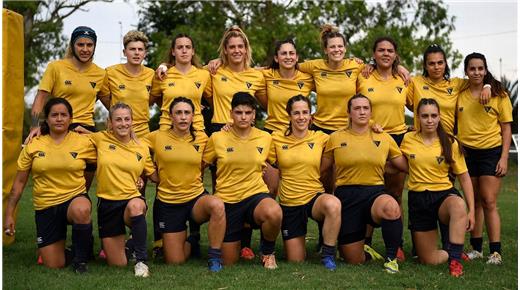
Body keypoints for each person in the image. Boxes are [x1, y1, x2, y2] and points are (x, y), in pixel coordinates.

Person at [4, 98, 96, 273]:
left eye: (63, 115)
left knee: (82, 209)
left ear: (71, 118)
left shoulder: (84, 142)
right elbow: (19, 183)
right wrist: (9, 215)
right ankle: (73, 247)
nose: (59, 119)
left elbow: (112, 153)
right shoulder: (33, 144)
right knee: (54, 264)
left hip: (73, 199)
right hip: (45, 205)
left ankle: (80, 260)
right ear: (47, 119)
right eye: (54, 115)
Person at [321, 94, 407, 273]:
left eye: (365, 108)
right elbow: (322, 168)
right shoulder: (335, 138)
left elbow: (403, 165)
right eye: (357, 108)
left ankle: (391, 258)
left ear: (371, 112)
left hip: (374, 193)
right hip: (347, 196)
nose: (361, 112)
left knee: (391, 207)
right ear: (349, 113)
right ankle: (366, 252)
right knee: (353, 259)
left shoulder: (384, 137)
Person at [143, 97, 226, 272]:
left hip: (195, 199)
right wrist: (149, 173)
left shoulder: (203, 139)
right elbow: (133, 147)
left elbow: (221, 151)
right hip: (169, 203)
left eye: (187, 113)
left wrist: (228, 128)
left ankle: (214, 257)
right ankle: (193, 240)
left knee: (217, 204)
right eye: (178, 113)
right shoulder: (156, 137)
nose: (182, 117)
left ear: (193, 116)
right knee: (175, 261)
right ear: (170, 116)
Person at [202, 92, 282, 269]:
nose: (243, 116)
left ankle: (268, 252)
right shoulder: (217, 138)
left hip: (255, 195)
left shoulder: (265, 138)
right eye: (239, 112)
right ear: (231, 114)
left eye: (247, 112)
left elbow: (277, 164)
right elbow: (201, 165)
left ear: (254, 114)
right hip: (228, 201)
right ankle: (233, 242)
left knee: (274, 212)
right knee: (229, 261)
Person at [400, 98, 475, 277]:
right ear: (418, 118)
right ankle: (451, 252)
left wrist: (471, 211)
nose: (430, 120)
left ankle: (455, 261)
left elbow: (464, 178)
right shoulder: (408, 139)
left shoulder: (450, 142)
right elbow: (396, 162)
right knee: (428, 260)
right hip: (418, 199)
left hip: (443, 196)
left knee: (457, 205)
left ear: (439, 117)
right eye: (425, 116)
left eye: (434, 115)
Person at [268, 95, 341, 270]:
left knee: (333, 204)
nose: (301, 117)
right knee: (296, 260)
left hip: (313, 197)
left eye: (305, 112)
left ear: (311, 116)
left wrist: (372, 125)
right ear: (289, 116)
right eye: (296, 113)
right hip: (290, 203)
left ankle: (328, 254)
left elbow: (349, 133)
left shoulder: (321, 138)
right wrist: (228, 127)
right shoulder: (275, 139)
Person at [89, 102, 158, 277]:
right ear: (110, 122)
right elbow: (74, 135)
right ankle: (130, 244)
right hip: (107, 204)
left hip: (131, 200)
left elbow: (154, 175)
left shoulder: (141, 147)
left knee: (136, 207)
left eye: (127, 119)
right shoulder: (99, 138)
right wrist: (39, 128)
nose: (123, 123)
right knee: (117, 264)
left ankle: (142, 261)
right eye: (118, 119)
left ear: (132, 121)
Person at [456, 53, 512, 264]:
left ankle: (495, 251)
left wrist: (504, 157)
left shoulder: (499, 94)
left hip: (491, 152)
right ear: (466, 71)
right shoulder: (460, 92)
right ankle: (476, 248)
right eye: (472, 69)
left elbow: (506, 128)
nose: (477, 72)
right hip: (466, 153)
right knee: (474, 202)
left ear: (486, 70)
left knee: (489, 200)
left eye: (481, 68)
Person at [356, 36, 407, 259]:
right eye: (381, 50)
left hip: (396, 138)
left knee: (395, 193)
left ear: (395, 54)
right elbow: (353, 106)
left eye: (390, 50)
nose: (385, 54)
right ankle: (364, 242)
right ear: (374, 54)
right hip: (369, 138)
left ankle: (396, 245)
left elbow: (422, 105)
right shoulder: (363, 77)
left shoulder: (404, 80)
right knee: (369, 190)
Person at [26, 26, 106, 141]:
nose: (85, 49)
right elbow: (41, 97)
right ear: (72, 46)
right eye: (80, 45)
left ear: (94, 47)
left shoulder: (101, 74)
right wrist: (34, 126)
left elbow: (113, 105)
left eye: (89, 45)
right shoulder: (55, 67)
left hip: (85, 130)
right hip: (57, 126)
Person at [150, 33, 211, 132]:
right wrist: (167, 105)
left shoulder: (203, 75)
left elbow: (215, 102)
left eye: (188, 47)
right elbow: (150, 101)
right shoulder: (162, 75)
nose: (184, 50)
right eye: (179, 47)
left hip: (196, 130)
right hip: (167, 130)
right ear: (173, 52)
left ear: (193, 51)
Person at [98, 30, 154, 138]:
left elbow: (153, 99)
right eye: (132, 49)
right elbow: (107, 101)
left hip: (143, 135)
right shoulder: (110, 72)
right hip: (116, 134)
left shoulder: (151, 74)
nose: (137, 53)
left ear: (145, 53)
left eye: (140, 49)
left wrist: (164, 65)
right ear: (124, 52)